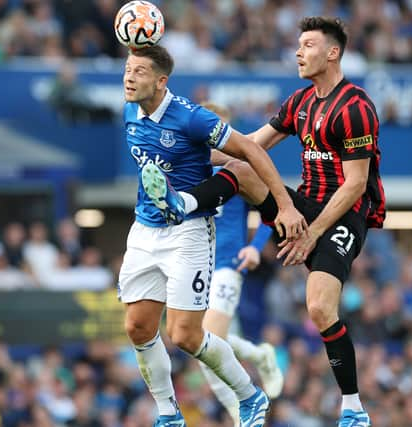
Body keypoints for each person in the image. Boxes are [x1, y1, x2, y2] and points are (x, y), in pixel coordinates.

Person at [146, 17, 386, 427]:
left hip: (345, 215)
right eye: (298, 44)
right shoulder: (300, 102)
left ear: (332, 53)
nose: (298, 52)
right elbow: (250, 146)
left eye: (308, 45)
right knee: (241, 170)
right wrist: (197, 159)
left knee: (319, 306)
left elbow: (355, 185)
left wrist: (312, 234)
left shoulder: (356, 108)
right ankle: (181, 202)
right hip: (302, 207)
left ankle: (352, 407)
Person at [119, 45, 306, 427]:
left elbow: (249, 151)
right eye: (127, 68)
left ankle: (249, 398)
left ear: (160, 80)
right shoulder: (129, 112)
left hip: (191, 236)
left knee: (187, 336)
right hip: (144, 229)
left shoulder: (191, 118)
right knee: (138, 326)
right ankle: (169, 414)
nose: (128, 76)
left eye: (138, 71)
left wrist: (283, 206)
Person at [197, 103, 283, 424]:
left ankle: (240, 412)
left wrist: (256, 247)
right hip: (195, 265)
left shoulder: (239, 165)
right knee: (198, 345)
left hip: (227, 265)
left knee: (208, 341)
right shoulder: (189, 167)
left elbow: (272, 210)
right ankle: (259, 355)